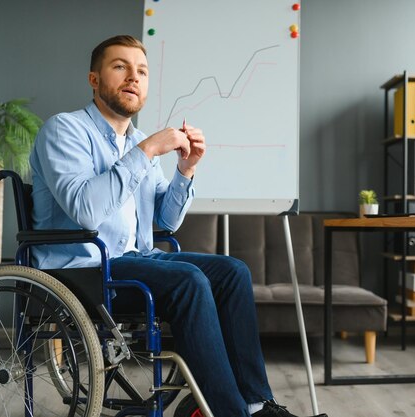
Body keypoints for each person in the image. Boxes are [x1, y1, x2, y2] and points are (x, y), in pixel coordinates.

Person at [29, 35, 327, 417]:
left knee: (233, 271)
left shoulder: (136, 141)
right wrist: (147, 151)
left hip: (134, 258)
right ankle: (230, 412)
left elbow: (163, 223)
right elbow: (86, 212)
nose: (132, 78)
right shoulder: (64, 131)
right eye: (120, 67)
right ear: (93, 79)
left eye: (142, 71)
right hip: (80, 270)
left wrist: (186, 170)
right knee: (188, 280)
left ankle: (255, 405)